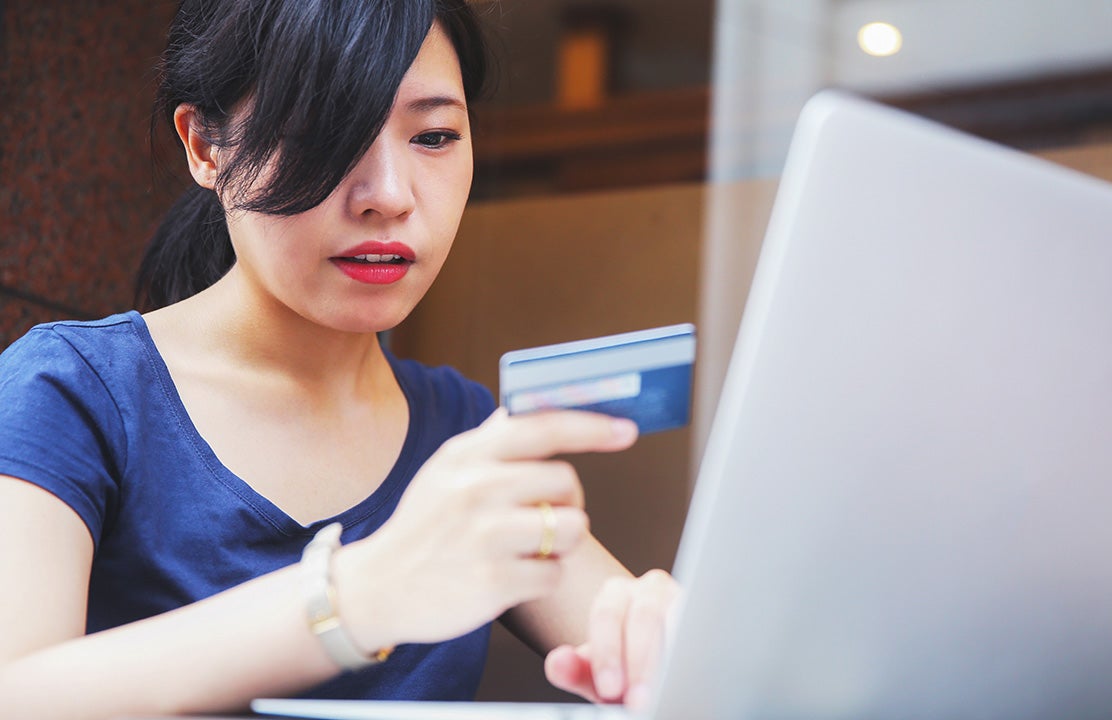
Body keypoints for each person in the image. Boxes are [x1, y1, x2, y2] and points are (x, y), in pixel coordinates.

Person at [0, 1, 678, 717]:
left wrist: (659, 635)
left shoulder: (466, 435)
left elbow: (646, 647)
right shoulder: (73, 395)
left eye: (435, 135)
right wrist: (360, 595)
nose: (389, 196)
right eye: (330, 131)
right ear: (205, 146)